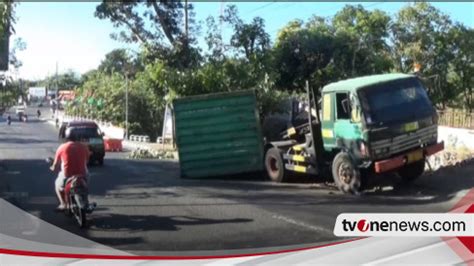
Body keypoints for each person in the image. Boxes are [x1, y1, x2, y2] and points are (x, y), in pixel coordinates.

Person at [50, 128, 90, 211]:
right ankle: (86, 202)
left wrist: (53, 168)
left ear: (66, 137)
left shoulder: (62, 147)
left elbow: (55, 165)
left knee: (57, 185)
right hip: (82, 174)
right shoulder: (83, 146)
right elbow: (87, 159)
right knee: (85, 186)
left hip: (67, 175)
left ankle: (63, 204)